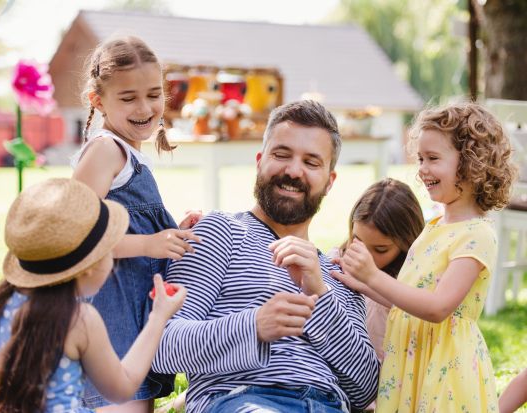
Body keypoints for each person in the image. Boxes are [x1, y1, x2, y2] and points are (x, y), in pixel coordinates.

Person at [152, 100, 380, 413]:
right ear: (260, 161)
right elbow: (162, 345)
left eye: (311, 163)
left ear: (329, 182)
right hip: (241, 399)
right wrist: (254, 327)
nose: (293, 171)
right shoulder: (219, 231)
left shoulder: (338, 273)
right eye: (281, 155)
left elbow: (365, 389)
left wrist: (318, 292)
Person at [333, 101, 520, 412]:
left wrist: (373, 276)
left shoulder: (476, 233)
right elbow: (412, 303)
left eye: (433, 158)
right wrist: (362, 285)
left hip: (444, 368)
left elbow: (438, 308)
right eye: (420, 158)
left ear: (472, 164)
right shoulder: (435, 225)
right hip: (412, 358)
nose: (421, 168)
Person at [0, 178, 186, 413]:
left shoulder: (5, 300)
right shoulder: (80, 320)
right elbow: (121, 389)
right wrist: (158, 317)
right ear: (91, 264)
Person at [71, 36, 201, 412]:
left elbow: (129, 224)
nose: (145, 108)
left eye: (153, 94)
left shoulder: (128, 154)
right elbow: (75, 234)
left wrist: (170, 229)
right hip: (109, 311)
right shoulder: (105, 150)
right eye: (128, 98)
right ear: (98, 101)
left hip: (130, 309)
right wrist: (148, 244)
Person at [328, 178, 424, 410]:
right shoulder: (337, 261)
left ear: (407, 242)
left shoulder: (412, 281)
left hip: (392, 393)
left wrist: (366, 282)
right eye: (357, 241)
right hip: (343, 387)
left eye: (380, 249)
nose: (366, 257)